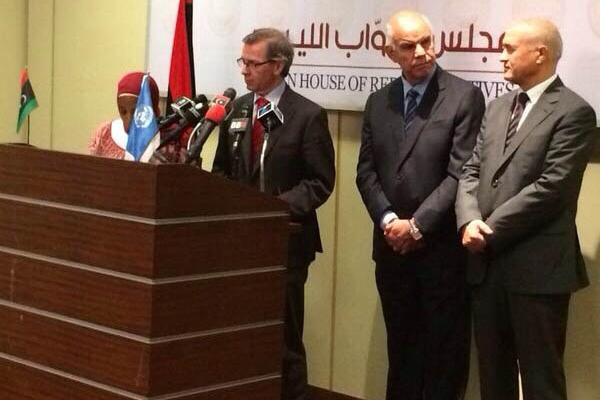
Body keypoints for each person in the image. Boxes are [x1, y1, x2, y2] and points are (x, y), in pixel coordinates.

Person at [456, 18, 597, 400]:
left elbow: (552, 188)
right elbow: (471, 170)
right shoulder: (497, 107)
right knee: (493, 377)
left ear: (540, 54)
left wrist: (488, 229)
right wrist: (469, 220)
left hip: (537, 269)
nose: (501, 56)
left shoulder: (574, 112)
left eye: (509, 48)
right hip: (486, 267)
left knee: (541, 382)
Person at [356, 10, 485, 400]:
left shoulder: (463, 96)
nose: (422, 52)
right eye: (409, 46)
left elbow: (461, 173)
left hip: (439, 249)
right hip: (391, 249)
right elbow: (366, 172)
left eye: (427, 42)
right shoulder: (378, 101)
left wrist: (416, 226)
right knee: (402, 354)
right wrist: (389, 220)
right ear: (390, 53)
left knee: (444, 359)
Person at [212, 28, 335, 400]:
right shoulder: (237, 110)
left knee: (282, 338)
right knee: (240, 334)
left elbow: (320, 182)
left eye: (253, 63)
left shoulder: (307, 115)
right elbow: (221, 172)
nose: (244, 70)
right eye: (243, 62)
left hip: (286, 244)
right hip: (239, 244)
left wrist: (272, 209)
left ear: (278, 66)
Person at [89, 71, 185, 161]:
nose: (128, 121)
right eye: (123, 112)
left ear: (154, 110)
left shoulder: (172, 139)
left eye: (136, 113)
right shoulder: (105, 134)